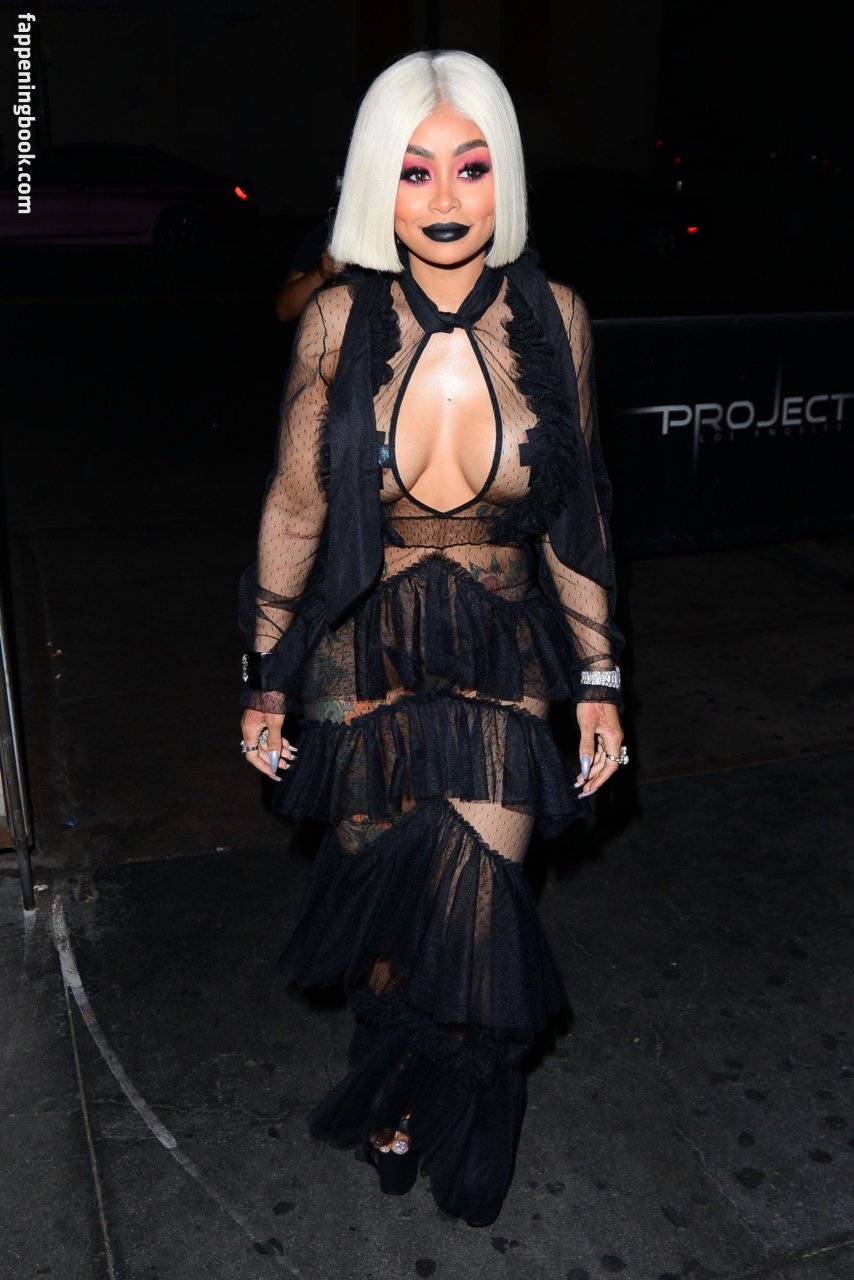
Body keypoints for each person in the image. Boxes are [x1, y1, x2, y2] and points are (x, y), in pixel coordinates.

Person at [239, 49, 627, 1228]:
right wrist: (263, 673)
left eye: (471, 166)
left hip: (502, 648)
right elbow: (295, 506)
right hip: (362, 652)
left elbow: (576, 511)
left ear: (504, 174)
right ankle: (393, 1083)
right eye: (414, 171)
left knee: (477, 896)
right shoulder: (338, 320)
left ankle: (453, 1090)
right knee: (388, 905)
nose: (446, 198)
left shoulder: (554, 319)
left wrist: (598, 676)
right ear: (378, 182)